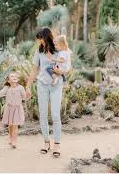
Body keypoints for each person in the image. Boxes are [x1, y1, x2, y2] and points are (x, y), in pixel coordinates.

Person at [26, 28, 71, 157]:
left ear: (47, 37)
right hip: (42, 85)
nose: (40, 41)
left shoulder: (59, 50)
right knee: (43, 114)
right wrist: (28, 86)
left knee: (56, 115)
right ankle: (46, 142)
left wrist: (60, 72)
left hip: (56, 85)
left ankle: (57, 144)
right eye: (38, 39)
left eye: (41, 38)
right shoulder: (39, 52)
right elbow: (34, 70)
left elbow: (67, 66)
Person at [0, 71, 26, 149]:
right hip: (9, 109)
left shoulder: (20, 88)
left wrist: (27, 95)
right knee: (10, 125)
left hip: (17, 109)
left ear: (18, 79)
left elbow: (24, 97)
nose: (14, 77)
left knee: (15, 125)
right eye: (12, 76)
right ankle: (10, 136)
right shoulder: (7, 88)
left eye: (15, 76)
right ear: (8, 80)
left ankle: (14, 140)